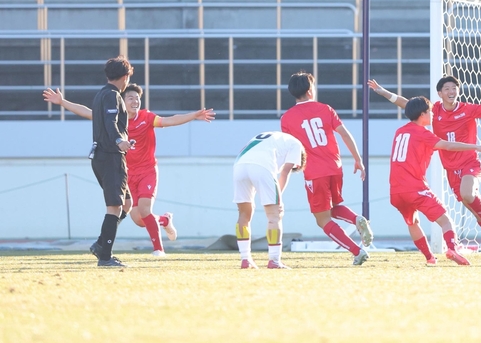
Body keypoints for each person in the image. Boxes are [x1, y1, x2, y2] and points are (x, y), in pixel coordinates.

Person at [368, 76, 481, 257]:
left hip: (469, 164)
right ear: (440, 93)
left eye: (454, 88)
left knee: (468, 194)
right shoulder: (433, 111)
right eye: (447, 88)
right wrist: (383, 92)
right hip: (451, 169)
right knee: (474, 211)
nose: (452, 92)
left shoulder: (468, 109)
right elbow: (407, 104)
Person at [43, 84, 215, 256]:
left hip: (147, 170)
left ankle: (158, 251)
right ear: (121, 101)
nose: (135, 101)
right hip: (127, 173)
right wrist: (62, 102)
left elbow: (169, 120)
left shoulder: (146, 117)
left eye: (137, 98)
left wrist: (194, 115)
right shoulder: (114, 120)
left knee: (145, 210)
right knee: (139, 220)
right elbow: (87, 112)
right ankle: (164, 220)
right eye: (130, 98)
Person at [280, 71, 372, 266]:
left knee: (322, 219)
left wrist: (290, 168)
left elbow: (290, 148)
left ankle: (357, 251)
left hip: (314, 172)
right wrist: (358, 160)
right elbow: (345, 134)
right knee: (333, 207)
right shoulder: (325, 109)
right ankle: (356, 219)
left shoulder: (287, 118)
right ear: (310, 90)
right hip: (335, 167)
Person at [389, 96, 481, 266]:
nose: (432, 115)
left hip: (395, 191)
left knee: (412, 222)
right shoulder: (423, 133)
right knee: (446, 221)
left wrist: (385, 93)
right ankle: (452, 248)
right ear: (423, 114)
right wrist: (477, 147)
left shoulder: (400, 131)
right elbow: (449, 146)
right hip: (415, 188)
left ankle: (430, 258)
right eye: (430, 112)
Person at [232, 131, 305, 269]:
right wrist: (279, 199)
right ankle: (274, 260)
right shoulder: (297, 144)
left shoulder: (272, 137)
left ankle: (245, 258)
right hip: (262, 167)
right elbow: (285, 171)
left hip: (239, 166)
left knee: (243, 215)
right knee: (274, 215)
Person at [88, 56, 134, 267]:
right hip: (110, 156)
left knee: (126, 203)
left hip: (101, 156)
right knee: (114, 206)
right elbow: (110, 121)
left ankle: (100, 243)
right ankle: (105, 255)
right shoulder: (113, 96)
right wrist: (119, 141)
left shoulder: (101, 94)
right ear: (125, 76)